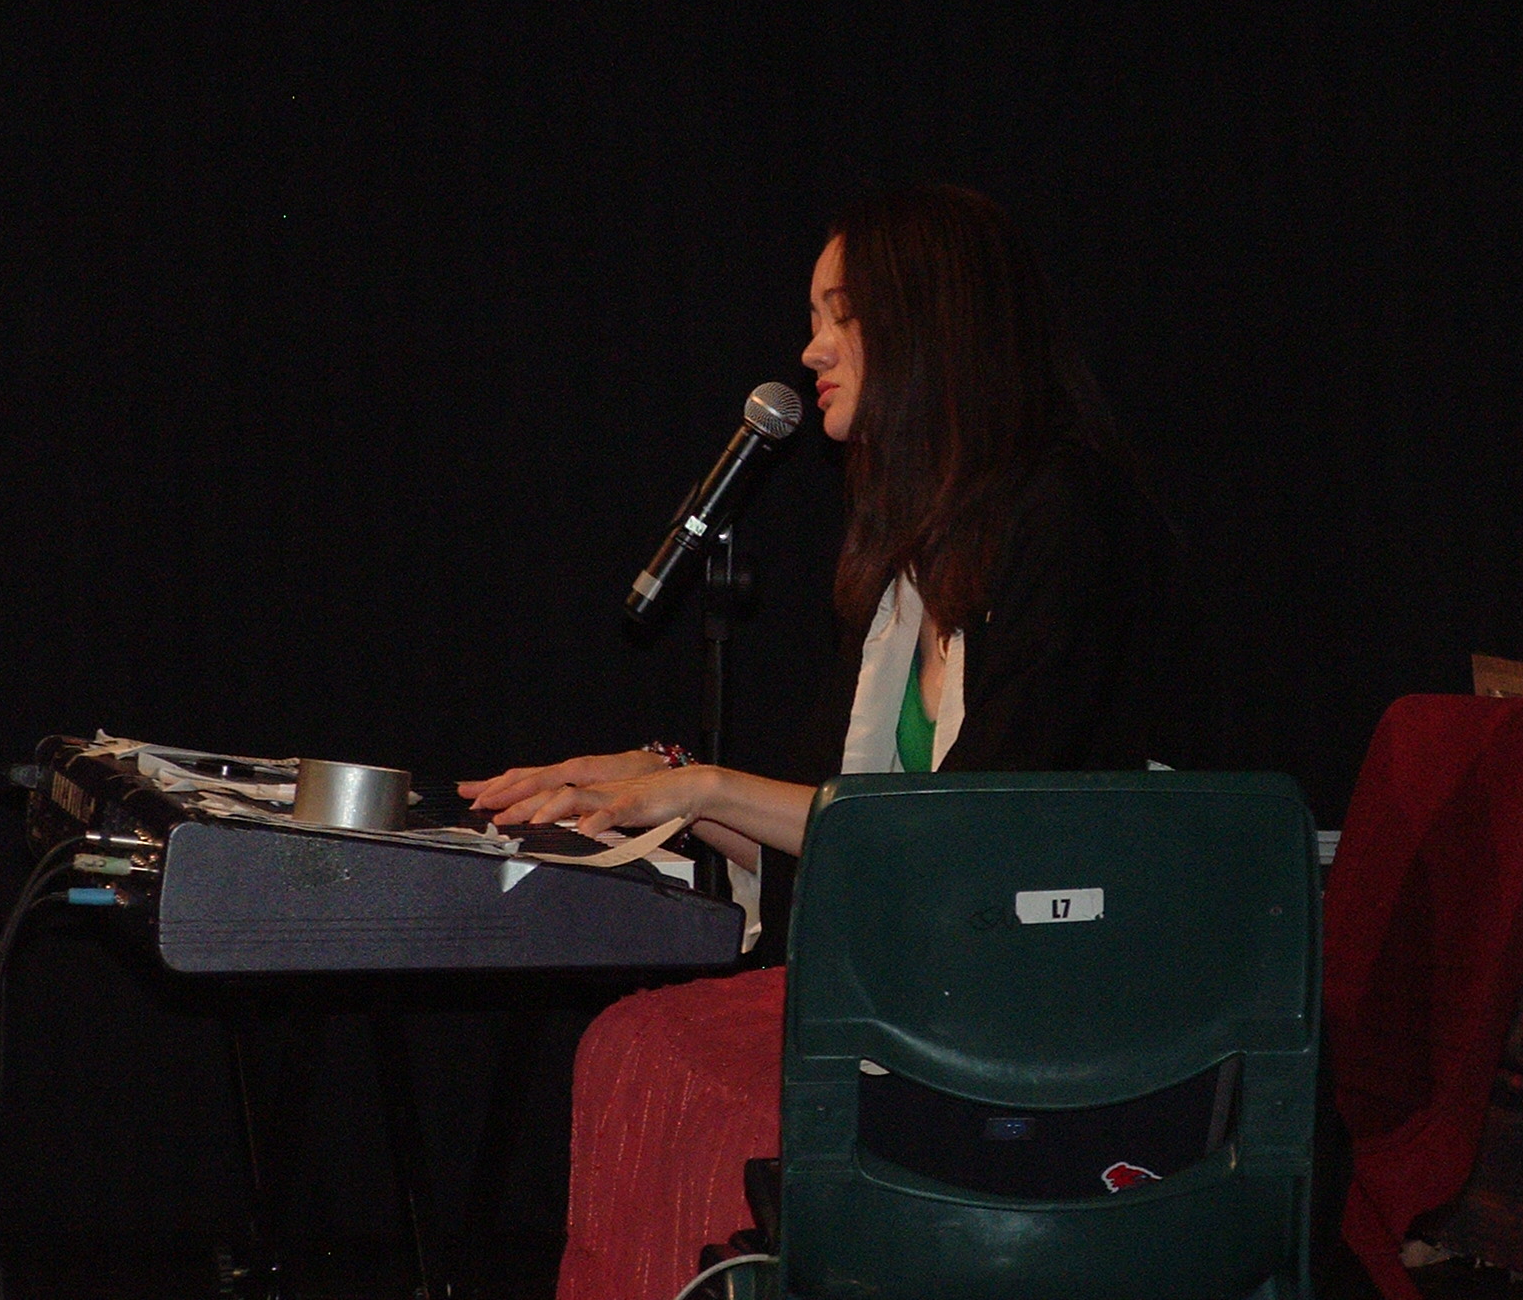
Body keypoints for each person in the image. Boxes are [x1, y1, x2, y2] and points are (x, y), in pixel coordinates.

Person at [461, 183, 1216, 1300]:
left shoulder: (1069, 515)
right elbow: (831, 821)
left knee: (676, 1064)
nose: (810, 349)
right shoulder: (911, 560)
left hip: (1071, 1015)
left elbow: (970, 838)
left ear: (933, 322)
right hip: (940, 992)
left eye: (839, 315)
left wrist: (702, 789)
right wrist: (651, 786)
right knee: (637, 1049)